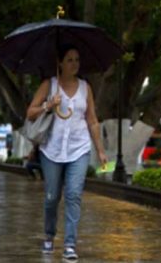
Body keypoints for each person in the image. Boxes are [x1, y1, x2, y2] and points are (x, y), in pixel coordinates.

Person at [26, 44, 107, 261]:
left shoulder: (85, 87)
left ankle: (70, 244)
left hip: (79, 149)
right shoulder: (49, 85)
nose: (74, 64)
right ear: (60, 63)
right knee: (52, 197)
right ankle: (49, 236)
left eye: (77, 60)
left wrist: (100, 149)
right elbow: (30, 112)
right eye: (69, 59)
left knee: (73, 195)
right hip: (51, 150)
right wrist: (48, 105)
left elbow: (92, 119)